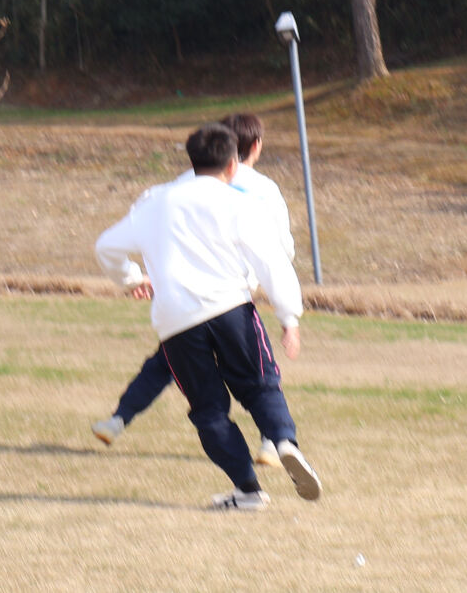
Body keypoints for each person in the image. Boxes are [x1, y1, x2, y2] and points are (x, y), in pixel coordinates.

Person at [95, 123, 321, 510]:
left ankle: (248, 491)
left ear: (192, 160)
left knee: (209, 410)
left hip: (176, 321)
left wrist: (131, 278)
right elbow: (272, 263)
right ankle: (282, 440)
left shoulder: (155, 201)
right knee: (260, 385)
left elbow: (106, 246)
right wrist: (290, 317)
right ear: (233, 165)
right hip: (231, 308)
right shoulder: (238, 202)